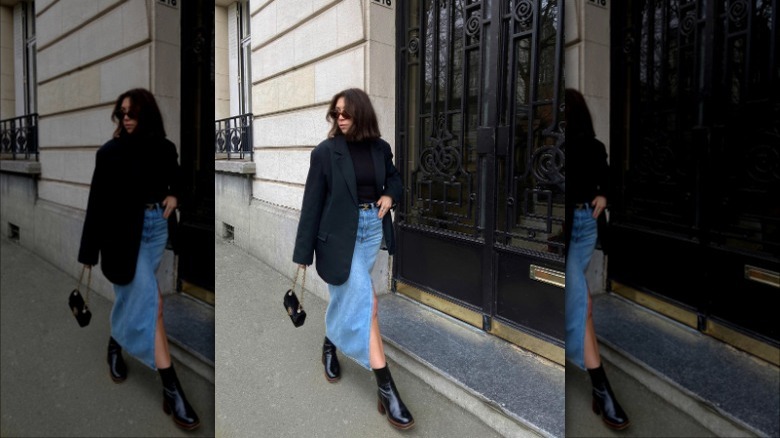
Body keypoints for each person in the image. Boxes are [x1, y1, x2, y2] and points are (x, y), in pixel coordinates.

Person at [78, 88, 200, 431]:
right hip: (121, 238)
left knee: (134, 297)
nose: (126, 119)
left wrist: (174, 194)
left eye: (132, 113)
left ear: (145, 115)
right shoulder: (110, 153)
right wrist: (88, 252)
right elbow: (97, 204)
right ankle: (172, 389)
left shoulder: (164, 148)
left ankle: (115, 344)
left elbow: (180, 179)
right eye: (122, 114)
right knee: (152, 303)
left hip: (155, 231)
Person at [292, 88, 413, 430]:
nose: (339, 119)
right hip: (336, 236)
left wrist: (390, 194)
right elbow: (312, 203)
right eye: (336, 114)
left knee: (350, 298)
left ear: (360, 115)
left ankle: (330, 344)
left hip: (371, 230)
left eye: (345, 113)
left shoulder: (380, 148)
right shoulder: (325, 153)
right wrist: (303, 253)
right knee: (366, 302)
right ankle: (386, 389)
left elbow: (394, 179)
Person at [564, 88, 630, 430]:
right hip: (563, 230)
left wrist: (603, 193)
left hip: (586, 225)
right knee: (581, 299)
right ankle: (601, 387)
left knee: (578, 297)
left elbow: (608, 178)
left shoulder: (594, 146)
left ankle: (599, 388)